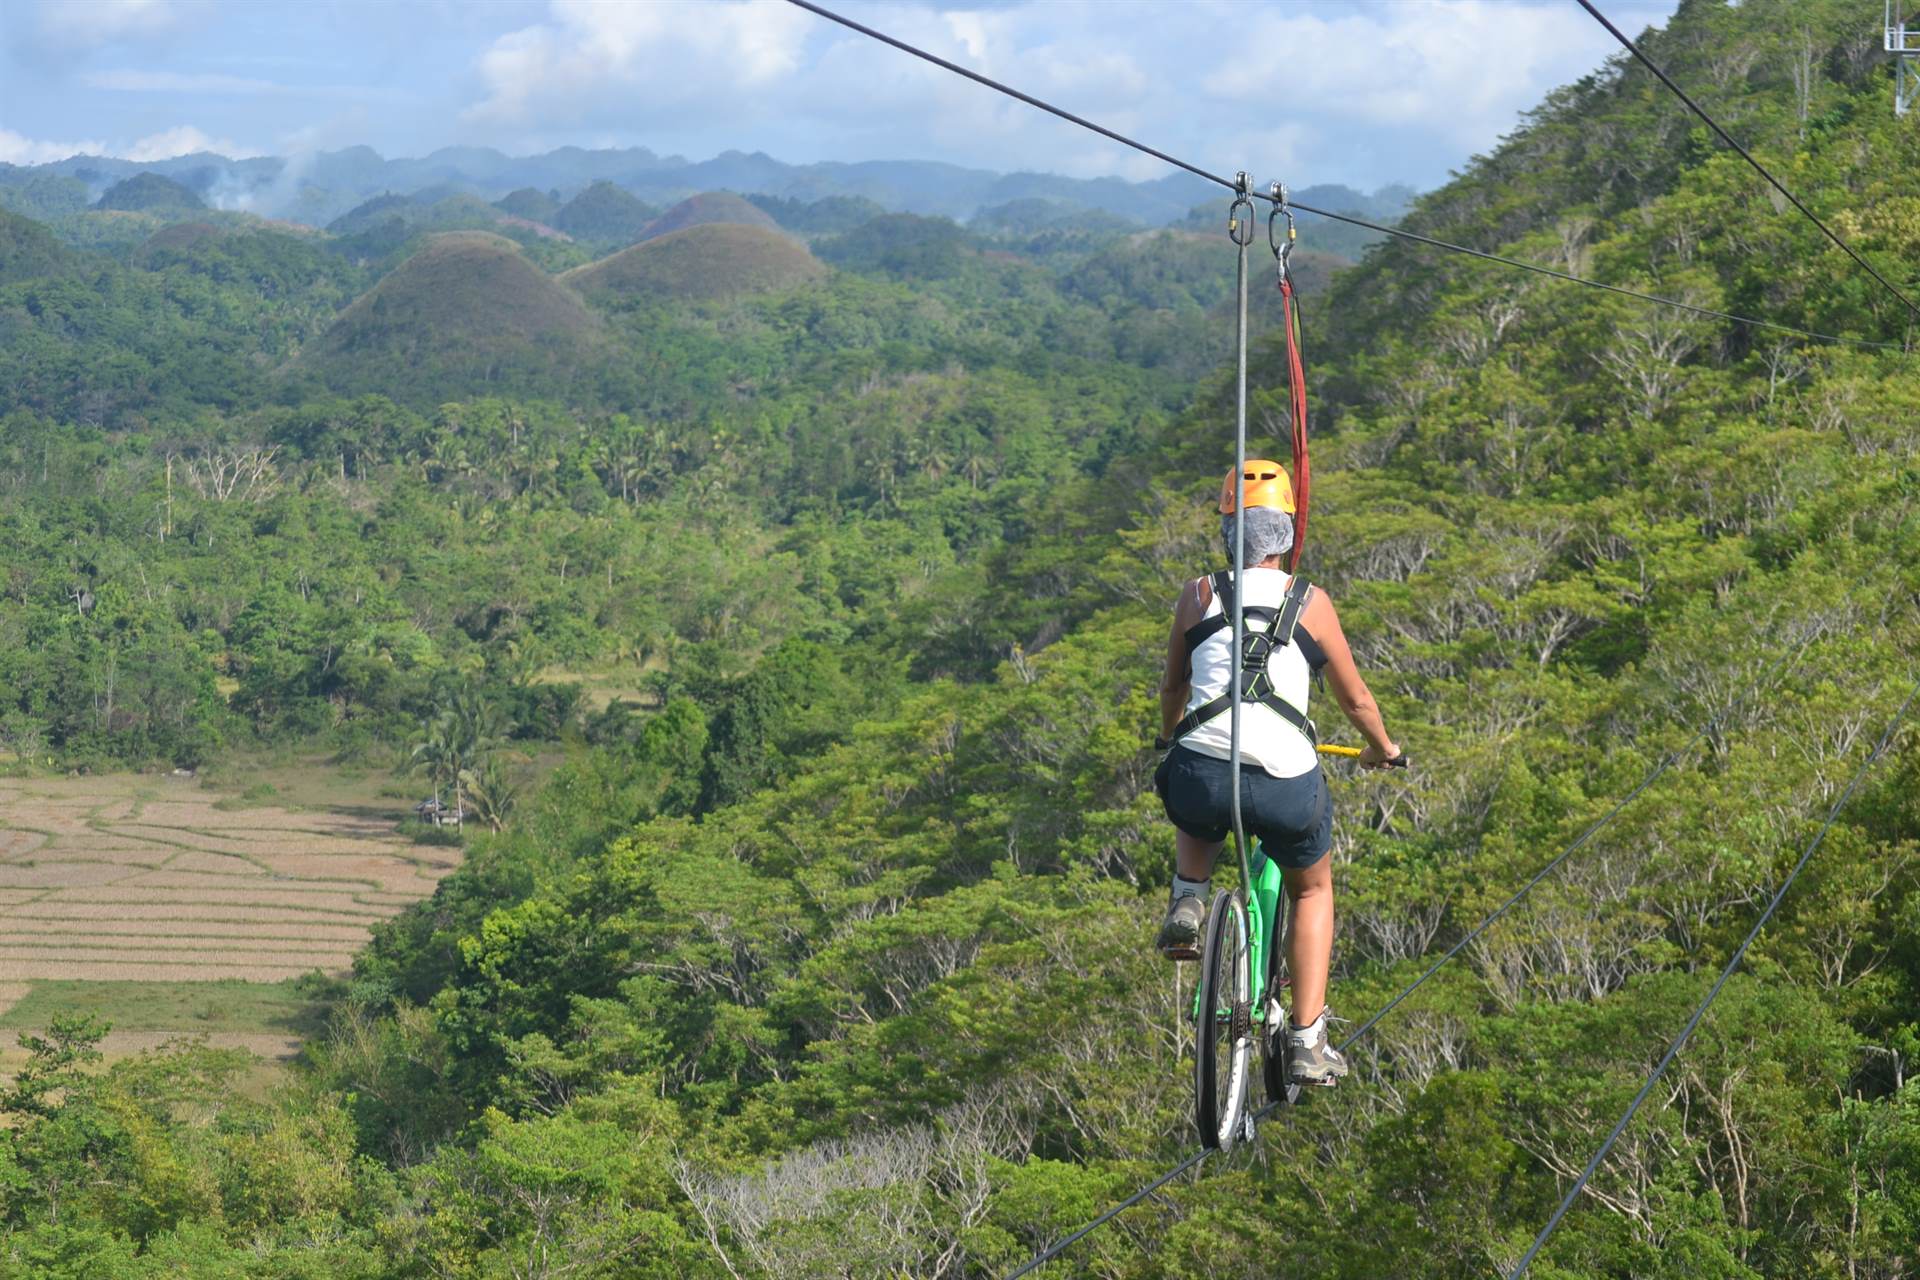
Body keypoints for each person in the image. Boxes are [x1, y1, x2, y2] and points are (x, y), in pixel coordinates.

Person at [1152, 460, 1401, 1087]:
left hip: (1200, 774)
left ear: (1228, 533)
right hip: (1286, 784)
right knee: (1312, 889)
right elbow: (1356, 702)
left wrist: (1167, 735)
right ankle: (1306, 1039)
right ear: (1286, 533)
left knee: (1197, 772)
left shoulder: (1199, 594)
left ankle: (1189, 898)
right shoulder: (1310, 603)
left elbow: (1173, 688)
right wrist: (1382, 748)